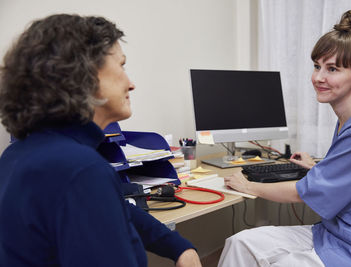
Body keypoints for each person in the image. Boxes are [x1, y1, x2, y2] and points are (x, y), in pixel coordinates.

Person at [0, 14, 202, 267]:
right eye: (121, 65)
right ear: (83, 74)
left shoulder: (17, 154)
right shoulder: (79, 168)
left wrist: (179, 247)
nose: (131, 84)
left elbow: (114, 209)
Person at [218, 10, 351, 267]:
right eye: (317, 66)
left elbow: (305, 193)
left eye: (333, 69)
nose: (318, 78)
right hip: (336, 232)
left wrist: (249, 186)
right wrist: (318, 168)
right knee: (241, 243)